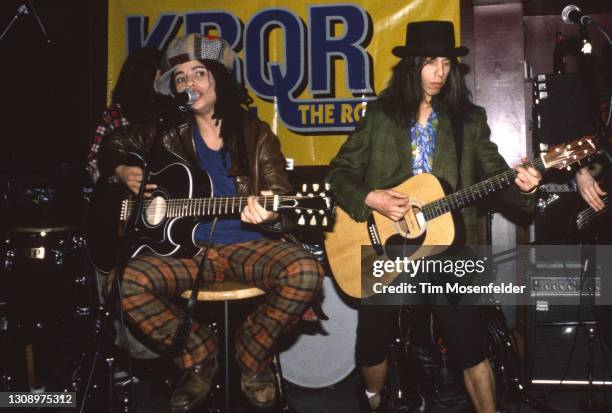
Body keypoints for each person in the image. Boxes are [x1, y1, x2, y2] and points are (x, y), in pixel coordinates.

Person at [98, 34, 324, 412]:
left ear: (219, 77)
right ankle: (199, 355)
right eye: (181, 78)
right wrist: (123, 170)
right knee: (124, 282)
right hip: (185, 251)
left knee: (306, 272)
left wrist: (269, 211)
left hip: (246, 244)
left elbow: (277, 192)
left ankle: (252, 355)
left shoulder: (256, 135)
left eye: (199, 73)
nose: (190, 84)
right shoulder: (164, 133)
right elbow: (113, 144)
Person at [326, 21, 542, 413]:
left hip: (447, 246)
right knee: (371, 342)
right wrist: (371, 198)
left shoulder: (469, 121)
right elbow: (339, 172)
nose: (440, 72)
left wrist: (523, 187)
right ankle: (374, 401)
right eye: (430, 63)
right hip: (382, 245)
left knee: (469, 345)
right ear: (412, 66)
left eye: (446, 63)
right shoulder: (379, 117)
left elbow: (496, 176)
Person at [87, 47, 163, 184]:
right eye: (159, 75)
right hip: (121, 199)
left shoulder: (166, 113)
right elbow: (94, 164)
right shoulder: (115, 114)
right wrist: (120, 175)